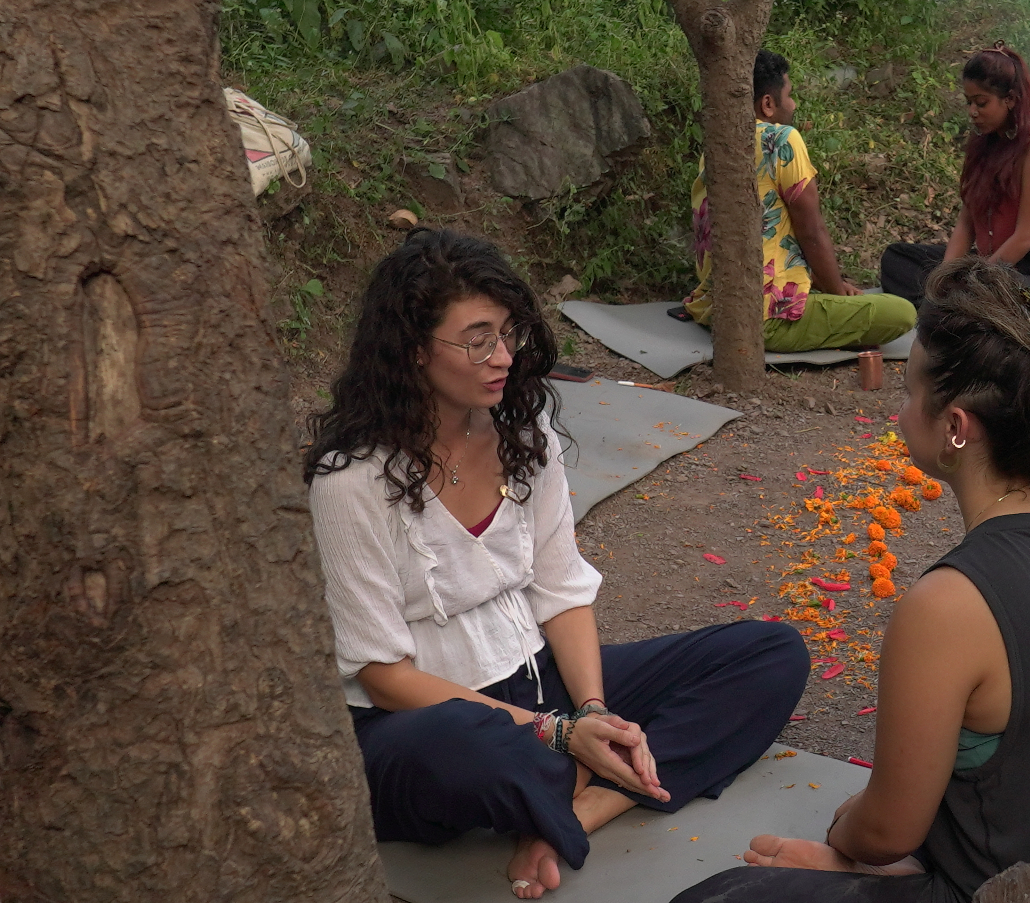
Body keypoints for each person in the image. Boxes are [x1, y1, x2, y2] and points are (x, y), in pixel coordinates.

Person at [672, 258, 1030, 903]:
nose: (900, 411)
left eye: (909, 391)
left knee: (717, 896)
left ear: (955, 426)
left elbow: (885, 830)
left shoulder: (948, 605)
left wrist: (847, 832)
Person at [306, 229, 809, 900]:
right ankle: (564, 778)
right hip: (421, 723)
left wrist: (593, 712)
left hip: (539, 688)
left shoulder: (523, 433)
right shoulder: (351, 483)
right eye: (478, 338)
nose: (503, 356)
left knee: (771, 655)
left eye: (509, 333)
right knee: (479, 751)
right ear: (416, 350)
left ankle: (584, 806)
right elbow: (385, 676)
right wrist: (559, 734)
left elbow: (562, 590)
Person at [684, 49, 917, 351]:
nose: (793, 105)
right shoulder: (781, 139)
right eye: (789, 95)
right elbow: (811, 230)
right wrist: (836, 292)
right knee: (901, 312)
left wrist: (824, 284)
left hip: (715, 308)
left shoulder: (716, 146)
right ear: (768, 103)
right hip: (763, 317)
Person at [880, 43, 1030, 320]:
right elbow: (967, 222)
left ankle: (962, 307)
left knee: (1009, 296)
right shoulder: (982, 146)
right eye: (969, 102)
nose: (972, 111)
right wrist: (945, 277)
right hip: (988, 265)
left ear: (1010, 100)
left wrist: (974, 280)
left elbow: (1026, 237)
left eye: (981, 102)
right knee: (898, 260)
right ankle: (960, 305)